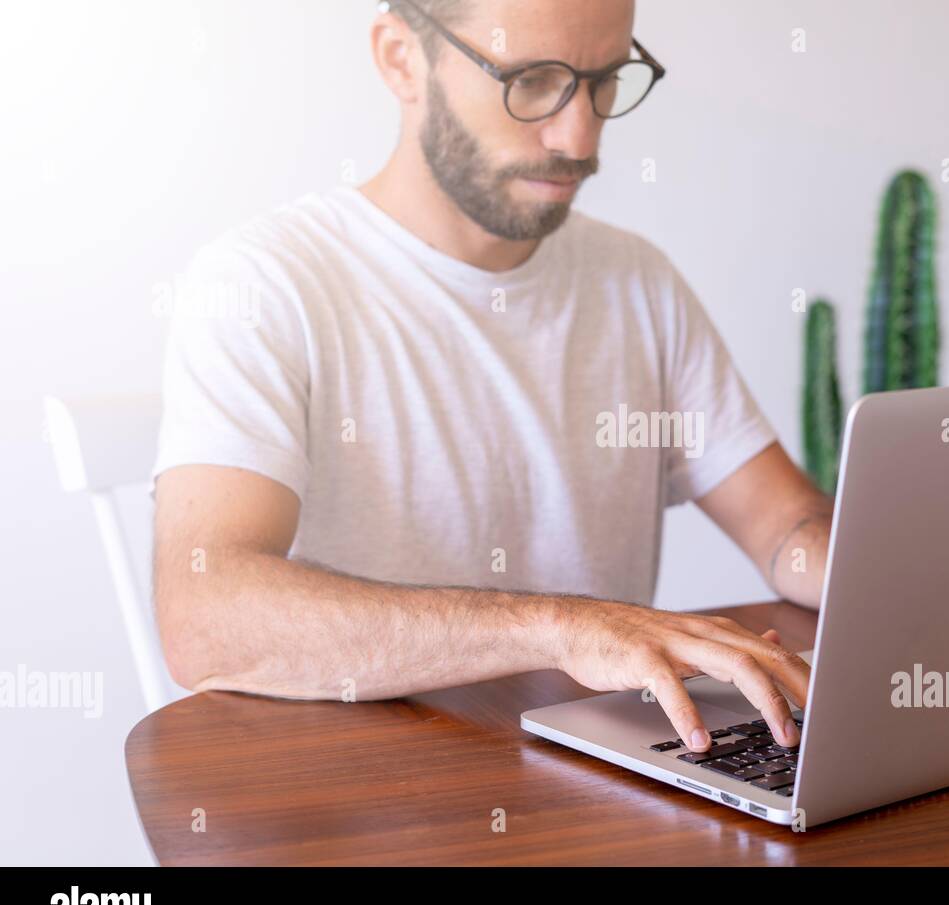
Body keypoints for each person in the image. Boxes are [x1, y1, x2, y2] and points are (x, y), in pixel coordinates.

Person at [152, 0, 831, 754]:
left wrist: (905, 581)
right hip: (353, 794)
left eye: (605, 80)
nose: (580, 136)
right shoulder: (266, 284)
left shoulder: (636, 281)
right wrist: (566, 628)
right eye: (533, 80)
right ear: (402, 58)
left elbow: (786, 529)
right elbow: (204, 613)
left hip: (600, 782)